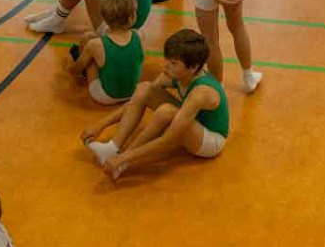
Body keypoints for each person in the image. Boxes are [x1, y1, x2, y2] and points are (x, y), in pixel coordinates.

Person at [82, 28, 227, 180]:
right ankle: (113, 147)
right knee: (144, 89)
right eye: (167, 60)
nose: (166, 66)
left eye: (173, 63)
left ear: (193, 68)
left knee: (166, 111)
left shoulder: (201, 93)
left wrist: (125, 157)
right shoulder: (177, 73)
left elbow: (169, 139)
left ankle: (122, 162)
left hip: (211, 141)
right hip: (194, 121)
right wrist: (101, 124)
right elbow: (137, 100)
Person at [67, 0, 144, 105]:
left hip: (105, 97)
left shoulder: (95, 45)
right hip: (132, 93)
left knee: (90, 49)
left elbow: (75, 70)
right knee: (91, 38)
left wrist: (70, 66)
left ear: (105, 18)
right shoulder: (140, 36)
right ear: (132, 17)